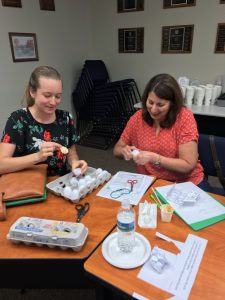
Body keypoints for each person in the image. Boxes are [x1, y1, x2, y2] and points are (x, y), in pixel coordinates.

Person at [113, 73, 208, 189]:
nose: (153, 109)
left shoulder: (184, 117)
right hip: (151, 182)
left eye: (160, 105)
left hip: (184, 183)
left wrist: (155, 158)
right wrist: (124, 151)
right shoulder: (138, 118)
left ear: (172, 104)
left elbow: (188, 165)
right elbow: (116, 150)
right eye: (150, 102)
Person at [0, 65, 87, 176]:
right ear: (32, 92)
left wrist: (74, 162)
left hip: (59, 184)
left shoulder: (66, 118)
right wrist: (37, 157)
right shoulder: (18, 119)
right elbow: (1, 165)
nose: (53, 102)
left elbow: (71, 153)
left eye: (58, 96)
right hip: (28, 186)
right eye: (47, 95)